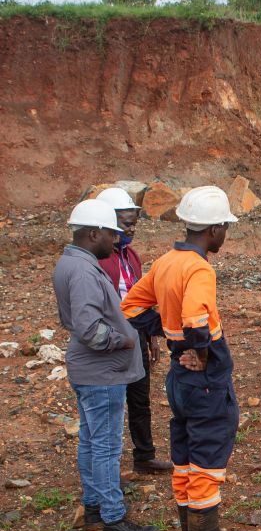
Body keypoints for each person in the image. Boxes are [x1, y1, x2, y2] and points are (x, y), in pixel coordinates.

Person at [121, 186, 239, 531]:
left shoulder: (166, 261)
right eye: (224, 228)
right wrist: (198, 350)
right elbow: (196, 318)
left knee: (186, 454)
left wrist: (169, 333)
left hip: (179, 379)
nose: (224, 234)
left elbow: (131, 308)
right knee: (206, 455)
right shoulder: (199, 269)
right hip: (203, 380)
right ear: (215, 229)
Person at [52, 200, 159, 531]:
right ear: (92, 233)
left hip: (90, 370)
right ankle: (114, 520)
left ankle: (95, 507)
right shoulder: (83, 270)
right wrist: (122, 341)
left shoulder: (71, 263)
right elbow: (88, 327)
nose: (114, 243)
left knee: (91, 440)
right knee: (106, 447)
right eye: (110, 235)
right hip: (102, 371)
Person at [94, 187, 171, 475]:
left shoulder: (132, 256)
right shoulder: (99, 259)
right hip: (111, 338)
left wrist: (151, 338)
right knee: (111, 403)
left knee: (140, 398)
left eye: (134, 223)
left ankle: (144, 456)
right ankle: (107, 467)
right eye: (126, 223)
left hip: (136, 333)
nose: (132, 229)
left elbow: (143, 298)